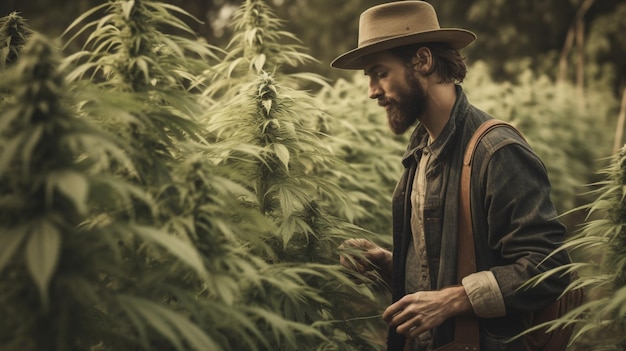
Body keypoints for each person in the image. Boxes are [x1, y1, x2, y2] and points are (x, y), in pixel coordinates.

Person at [331, 2, 571, 351]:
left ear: (423, 61)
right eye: (369, 76)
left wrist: (454, 300)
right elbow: (438, 271)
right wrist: (388, 263)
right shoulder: (421, 154)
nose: (372, 91)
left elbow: (548, 270)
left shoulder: (497, 152)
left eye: (380, 72)